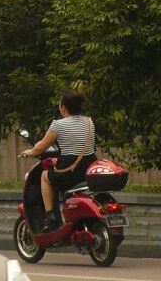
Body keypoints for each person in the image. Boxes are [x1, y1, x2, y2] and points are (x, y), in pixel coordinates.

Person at [22, 88, 96, 230]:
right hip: (88, 170)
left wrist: (29, 152)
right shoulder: (89, 122)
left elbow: (40, 148)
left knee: (45, 176)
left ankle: (50, 215)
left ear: (63, 107)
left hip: (69, 171)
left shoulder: (58, 125)